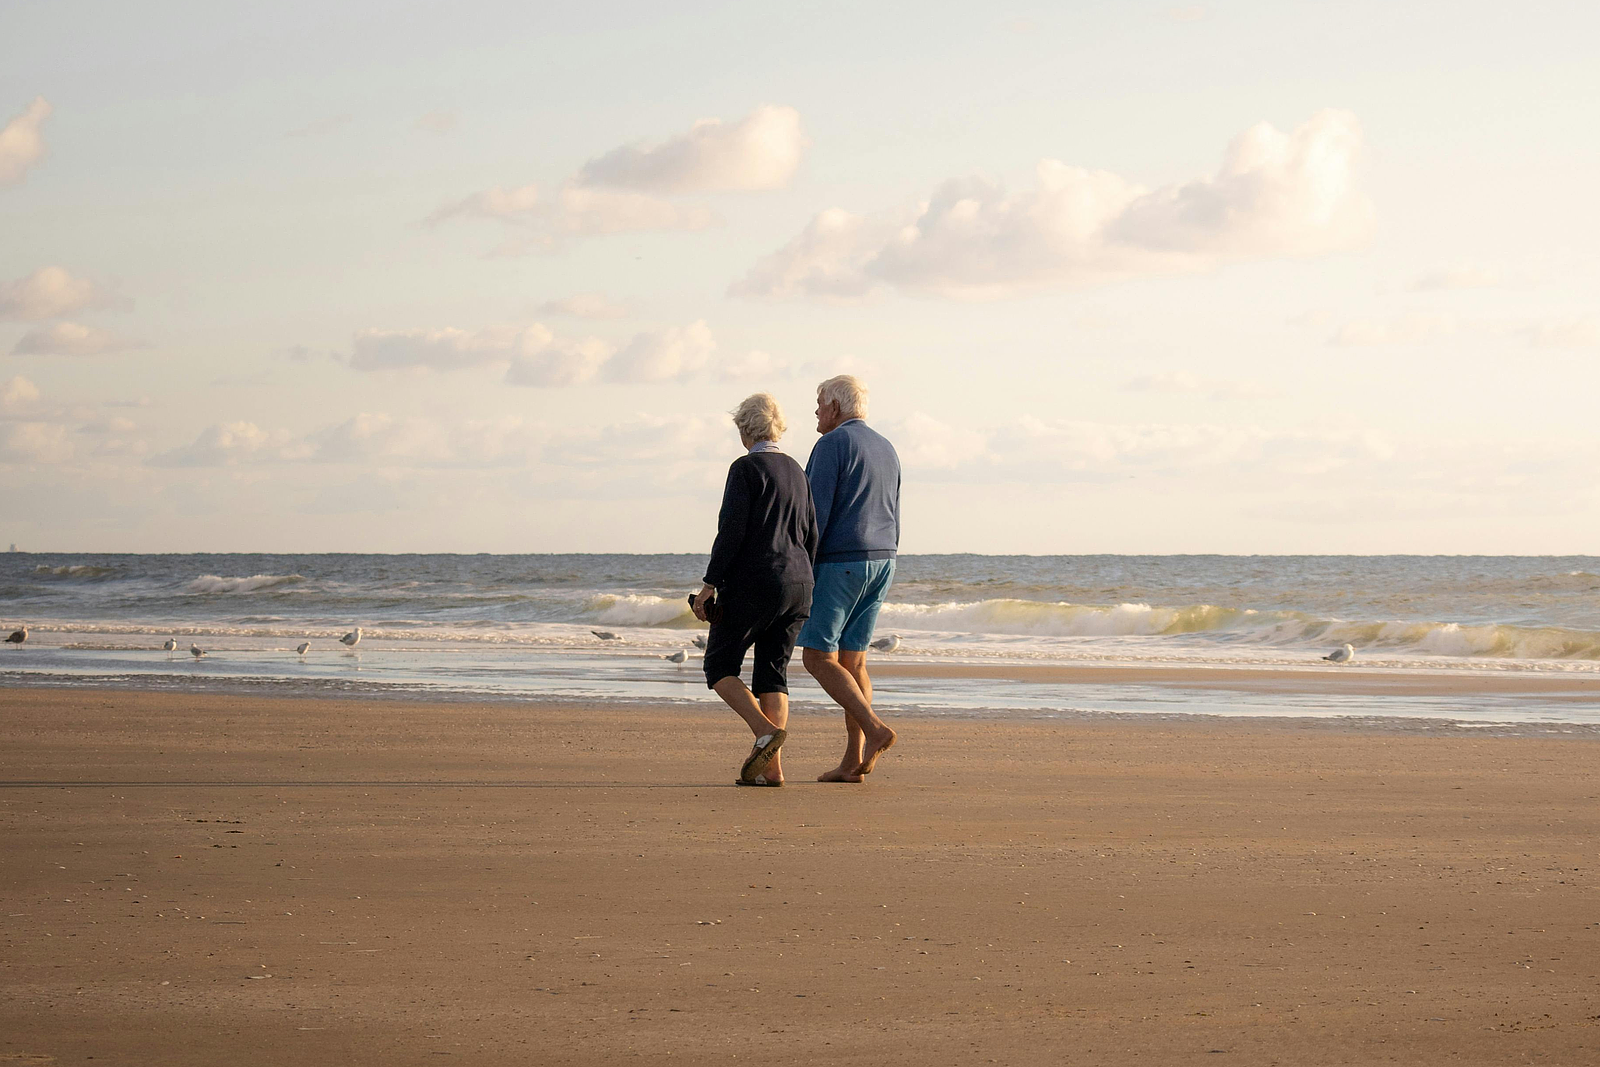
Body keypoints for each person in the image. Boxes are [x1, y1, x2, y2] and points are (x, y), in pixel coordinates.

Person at [692, 393, 819, 787]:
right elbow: (811, 532)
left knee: (719, 666)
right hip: (799, 582)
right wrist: (806, 578)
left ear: (745, 429)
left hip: (756, 582)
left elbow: (731, 531)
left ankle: (764, 731)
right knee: (772, 673)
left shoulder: (745, 468)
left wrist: (709, 584)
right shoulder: (797, 470)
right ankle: (772, 768)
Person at [796, 375, 901, 784]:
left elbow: (814, 515)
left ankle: (875, 729)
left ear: (835, 407)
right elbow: (894, 507)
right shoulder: (886, 446)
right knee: (853, 661)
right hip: (883, 558)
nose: (816, 411)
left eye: (820, 403)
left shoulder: (832, 444)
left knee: (817, 657)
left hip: (841, 561)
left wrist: (801, 565)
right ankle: (853, 760)